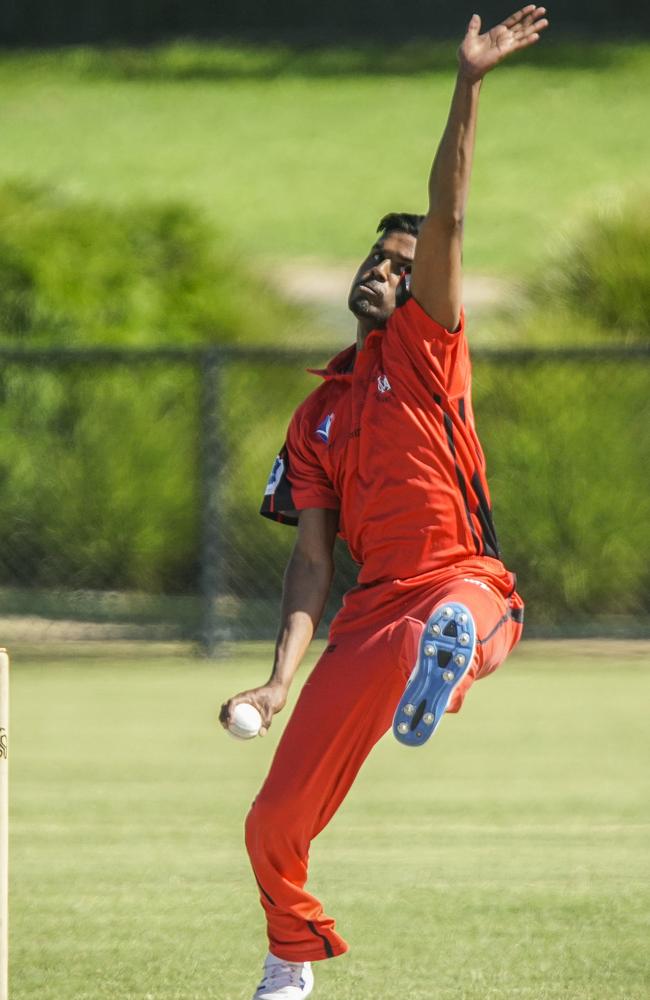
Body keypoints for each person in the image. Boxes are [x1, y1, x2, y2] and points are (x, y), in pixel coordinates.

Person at [220, 7, 549, 998]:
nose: (383, 270)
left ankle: (438, 674)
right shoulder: (317, 412)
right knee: (270, 820)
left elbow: (446, 211)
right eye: (376, 259)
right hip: (368, 618)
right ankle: (290, 953)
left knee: (450, 620)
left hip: (465, 580)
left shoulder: (427, 347)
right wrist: (278, 681)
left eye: (402, 267)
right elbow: (312, 561)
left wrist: (469, 84)